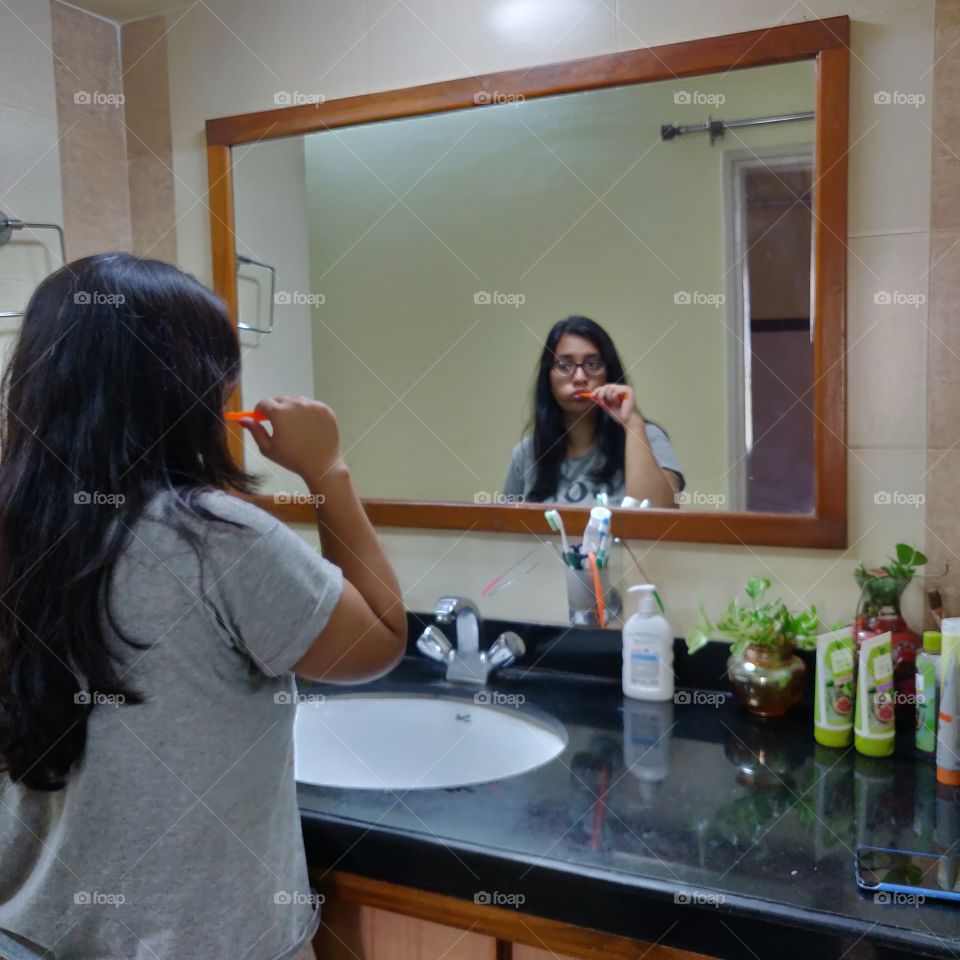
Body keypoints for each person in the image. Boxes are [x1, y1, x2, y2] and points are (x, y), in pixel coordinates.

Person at [0, 253, 406, 960]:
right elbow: (378, 641)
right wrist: (328, 473)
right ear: (183, 388)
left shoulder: (13, 532)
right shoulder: (215, 537)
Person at [504, 316, 683, 507]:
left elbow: (660, 516)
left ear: (609, 373)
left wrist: (631, 423)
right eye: (564, 366)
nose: (580, 377)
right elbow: (504, 529)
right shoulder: (526, 453)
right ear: (548, 377)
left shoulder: (647, 437)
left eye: (592, 364)